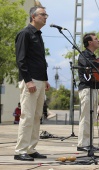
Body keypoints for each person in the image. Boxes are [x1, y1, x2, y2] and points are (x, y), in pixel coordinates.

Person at [14, 6, 50, 161]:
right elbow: (21, 60)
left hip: (40, 80)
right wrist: (28, 81)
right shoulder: (25, 34)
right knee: (27, 116)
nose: (46, 17)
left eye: (46, 15)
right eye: (43, 15)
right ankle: (20, 150)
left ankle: (30, 149)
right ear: (33, 17)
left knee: (36, 117)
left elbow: (40, 60)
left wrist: (45, 79)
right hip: (31, 80)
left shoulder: (38, 35)